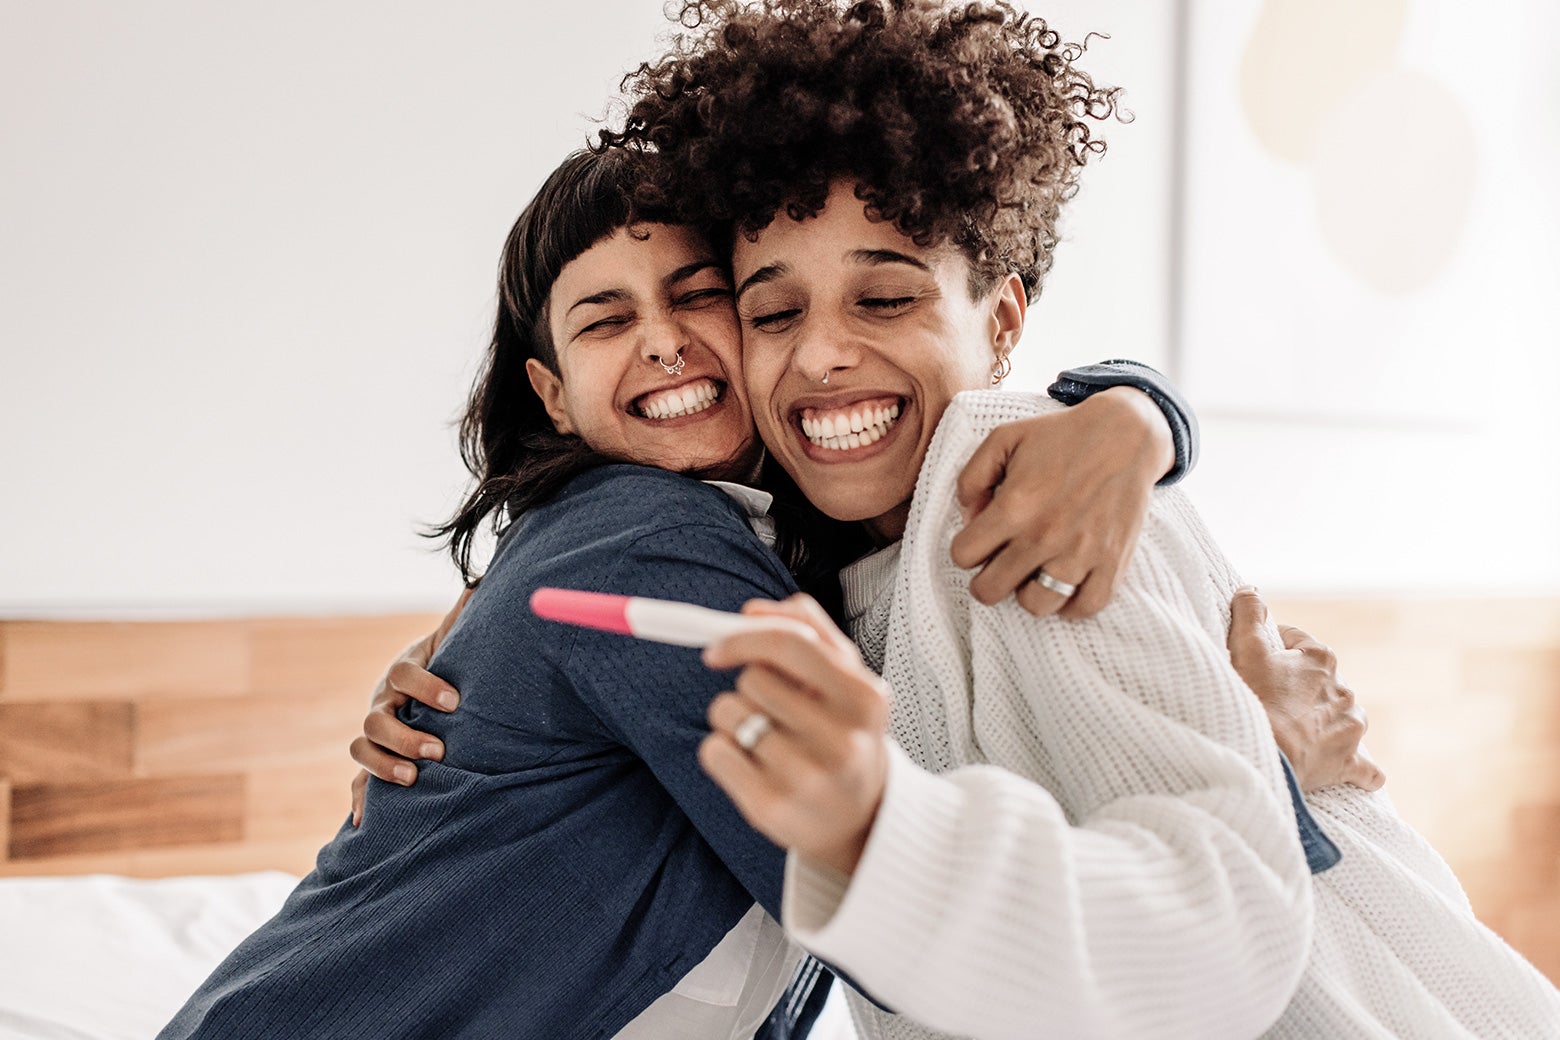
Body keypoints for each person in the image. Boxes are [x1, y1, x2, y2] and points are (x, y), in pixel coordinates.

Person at [611, 1, 1560, 1037]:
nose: (822, 353)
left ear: (1004, 318)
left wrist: (881, 826)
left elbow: (1217, 929)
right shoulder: (820, 558)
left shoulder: (1018, 490)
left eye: (884, 300)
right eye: (774, 311)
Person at [160, 142, 1205, 1039]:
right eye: (606, 320)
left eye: (698, 293)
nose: (662, 338)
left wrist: (1137, 412)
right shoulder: (644, 541)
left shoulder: (753, 551)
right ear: (552, 394)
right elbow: (902, 918)